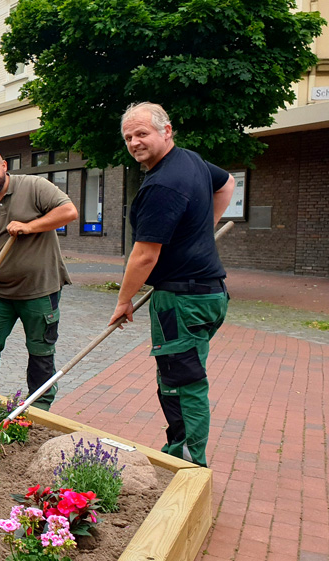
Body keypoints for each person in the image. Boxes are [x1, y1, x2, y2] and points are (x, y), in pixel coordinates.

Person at [110, 102, 234, 467]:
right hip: (208, 295)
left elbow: (144, 255)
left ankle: (193, 463)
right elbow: (226, 184)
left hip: (183, 301)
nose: (134, 142)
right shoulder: (190, 160)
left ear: (167, 131)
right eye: (129, 136)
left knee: (185, 381)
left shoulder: (162, 185)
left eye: (142, 133)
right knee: (177, 375)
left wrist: (124, 301)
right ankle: (176, 448)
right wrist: (201, 232)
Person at [0, 148, 78, 410]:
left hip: (40, 289)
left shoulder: (34, 186)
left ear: (4, 165)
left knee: (40, 352)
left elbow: (69, 212)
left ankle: (39, 408)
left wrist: (29, 226)